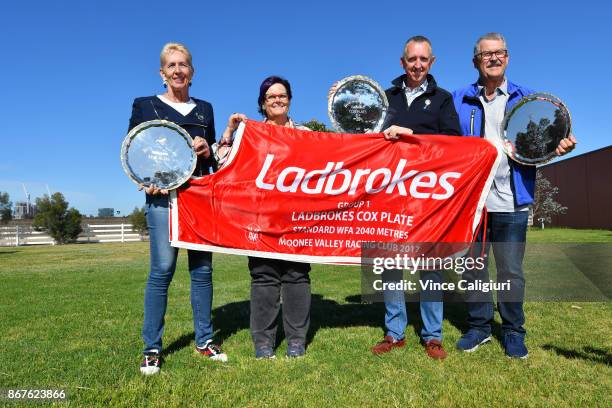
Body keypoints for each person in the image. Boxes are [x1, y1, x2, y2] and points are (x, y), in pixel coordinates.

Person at [452, 33, 577, 359]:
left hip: (512, 200)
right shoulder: (458, 99)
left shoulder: (528, 99)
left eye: (499, 53)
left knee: (511, 271)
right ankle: (479, 327)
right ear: (475, 60)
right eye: (486, 54)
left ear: (507, 58)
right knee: (473, 267)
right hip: (472, 203)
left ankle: (513, 332)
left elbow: (546, 139)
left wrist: (559, 146)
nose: (493, 58)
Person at [128, 42, 227, 375]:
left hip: (198, 198)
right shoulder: (145, 106)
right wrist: (147, 178)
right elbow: (135, 150)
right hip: (161, 199)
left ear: (192, 72)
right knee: (162, 271)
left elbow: (212, 157)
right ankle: (152, 348)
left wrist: (206, 148)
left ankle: (204, 340)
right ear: (162, 73)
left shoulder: (205, 109)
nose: (178, 70)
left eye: (183, 64)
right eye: (171, 65)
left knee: (202, 272)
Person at [372, 36, 461, 359]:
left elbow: (453, 142)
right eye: (412, 59)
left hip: (427, 196)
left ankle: (432, 335)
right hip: (390, 195)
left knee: (430, 266)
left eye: (424, 59)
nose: (418, 65)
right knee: (391, 265)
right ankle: (395, 333)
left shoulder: (443, 99)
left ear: (432, 62)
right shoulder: (385, 96)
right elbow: (366, 136)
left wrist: (414, 137)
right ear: (402, 62)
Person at [220, 76, 312, 359]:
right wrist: (229, 132)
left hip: (298, 219)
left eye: (282, 95)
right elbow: (224, 162)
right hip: (261, 218)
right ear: (262, 102)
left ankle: (296, 340)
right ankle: (263, 343)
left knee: (297, 276)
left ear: (290, 99)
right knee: (264, 277)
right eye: (271, 96)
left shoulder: (307, 134)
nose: (277, 100)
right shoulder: (251, 134)